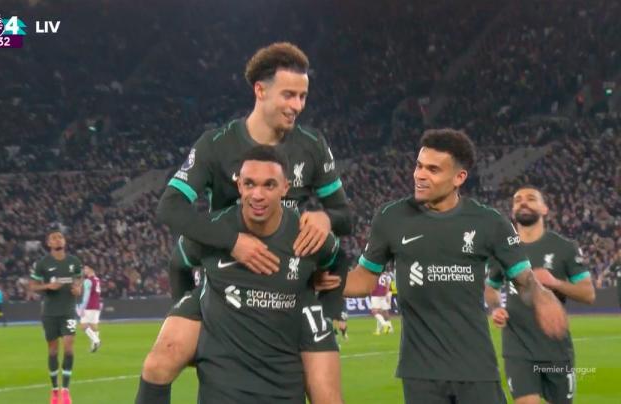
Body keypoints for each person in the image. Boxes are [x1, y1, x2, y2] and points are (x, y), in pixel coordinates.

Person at [141, 42, 352, 403]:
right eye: (288, 95)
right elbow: (170, 208)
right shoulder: (216, 145)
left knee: (326, 393)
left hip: (288, 278)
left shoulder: (312, 145)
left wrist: (325, 217)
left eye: (302, 96)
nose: (297, 106)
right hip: (225, 277)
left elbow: (345, 217)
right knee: (162, 358)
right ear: (260, 90)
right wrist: (232, 241)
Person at [317, 129, 568, 404]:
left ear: (459, 177)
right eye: (419, 166)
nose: (420, 175)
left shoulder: (490, 222)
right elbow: (364, 279)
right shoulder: (391, 217)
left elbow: (525, 281)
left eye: (433, 170)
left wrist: (543, 297)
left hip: (477, 370)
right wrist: (320, 279)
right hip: (420, 374)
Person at [143, 146, 342, 403]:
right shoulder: (212, 230)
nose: (257, 194)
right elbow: (178, 264)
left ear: (285, 187)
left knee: (327, 396)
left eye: (269, 185)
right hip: (222, 314)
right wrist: (184, 313)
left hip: (292, 317)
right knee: (158, 363)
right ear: (239, 185)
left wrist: (322, 289)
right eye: (249, 184)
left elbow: (335, 262)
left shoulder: (306, 235)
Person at [485, 186, 595, 404]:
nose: (523, 202)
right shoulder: (503, 250)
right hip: (518, 349)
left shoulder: (564, 247)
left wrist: (555, 282)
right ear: (512, 210)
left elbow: (588, 294)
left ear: (545, 209)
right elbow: (491, 288)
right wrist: (496, 308)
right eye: (518, 200)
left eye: (531, 198)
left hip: (556, 348)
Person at [29, 231, 84, 404]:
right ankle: (54, 390)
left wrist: (78, 288)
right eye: (54, 238)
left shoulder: (74, 261)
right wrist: (48, 286)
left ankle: (65, 390)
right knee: (53, 351)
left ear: (64, 241)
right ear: (49, 243)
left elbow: (79, 279)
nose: (58, 239)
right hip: (50, 313)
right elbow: (32, 286)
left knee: (68, 348)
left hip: (68, 312)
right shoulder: (42, 263)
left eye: (60, 237)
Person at [79, 265, 102, 353]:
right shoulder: (97, 279)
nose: (84, 270)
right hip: (96, 305)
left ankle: (96, 341)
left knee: (83, 326)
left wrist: (82, 307)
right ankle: (93, 346)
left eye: (85, 268)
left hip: (89, 306)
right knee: (94, 326)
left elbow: (86, 295)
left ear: (90, 269)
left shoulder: (88, 281)